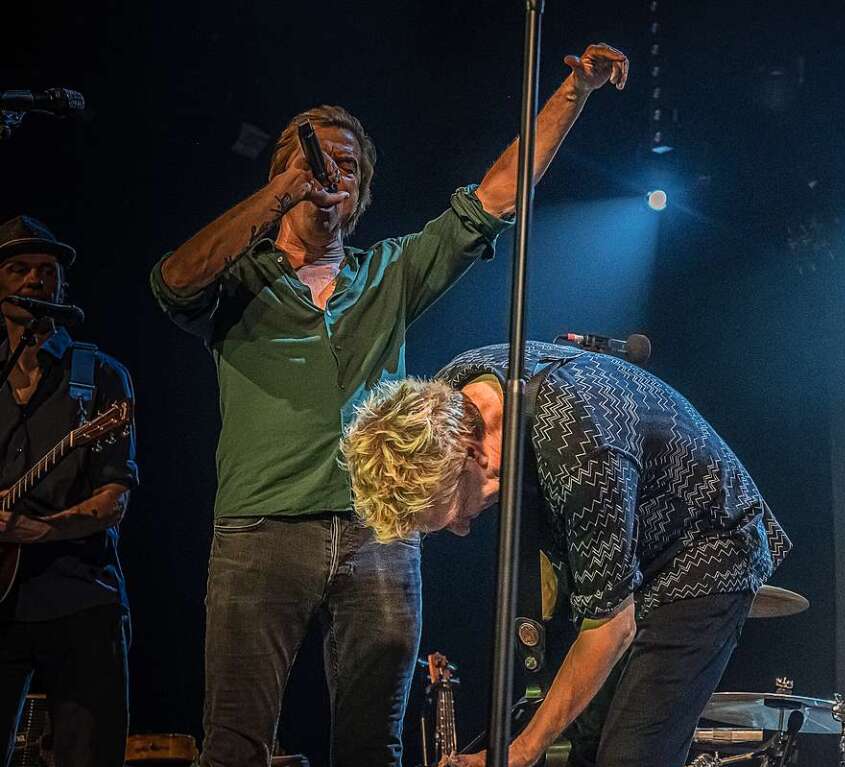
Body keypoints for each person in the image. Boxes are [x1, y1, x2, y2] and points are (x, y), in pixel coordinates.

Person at [150, 44, 629, 767]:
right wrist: (279, 194)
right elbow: (170, 284)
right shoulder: (238, 278)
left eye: (347, 165)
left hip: (378, 532)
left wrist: (575, 89)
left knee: (373, 745)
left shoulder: (386, 273)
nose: (329, 174)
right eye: (313, 162)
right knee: (233, 744)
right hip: (258, 529)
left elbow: (494, 200)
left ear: (362, 187)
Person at [341, 341, 792, 767]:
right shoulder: (451, 395)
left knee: (630, 756)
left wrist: (521, 751)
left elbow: (611, 628)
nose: (460, 529)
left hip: (707, 545)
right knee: (585, 748)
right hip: (635, 541)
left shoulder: (581, 450)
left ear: (473, 454)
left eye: (455, 509)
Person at [0, 215, 139, 767]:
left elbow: (115, 498)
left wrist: (41, 530)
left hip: (80, 598)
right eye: (18, 268)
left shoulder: (100, 375)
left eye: (47, 271)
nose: (35, 280)